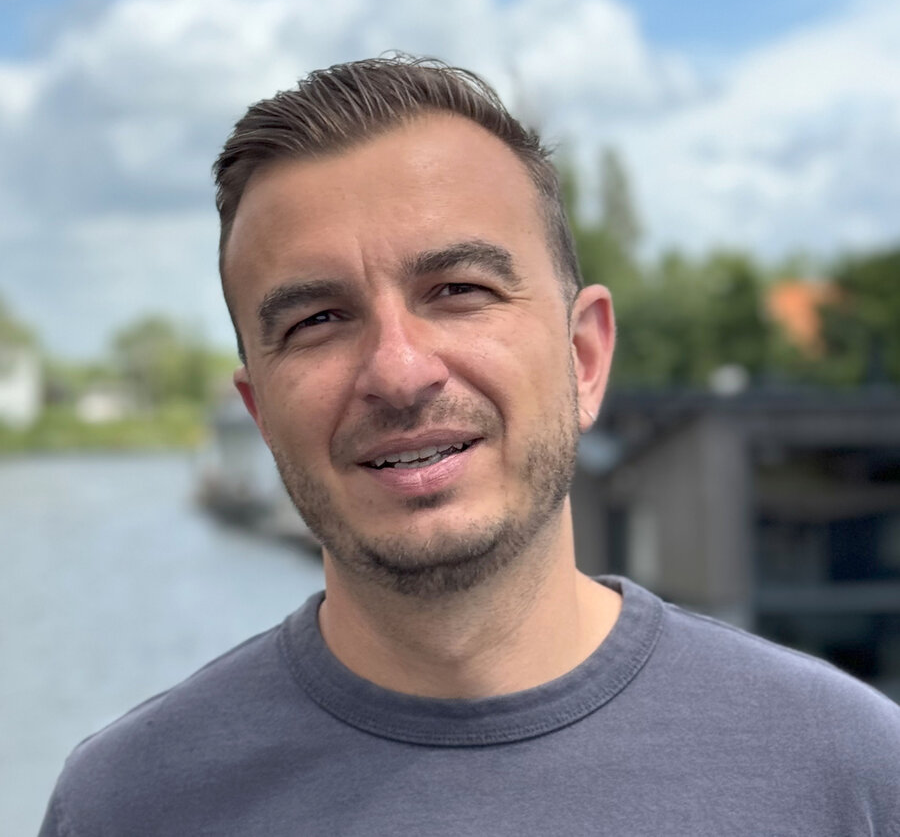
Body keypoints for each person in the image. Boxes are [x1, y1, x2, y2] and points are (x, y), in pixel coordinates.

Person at [41, 56, 899, 836]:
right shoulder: (126, 806)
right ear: (261, 414)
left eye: (458, 289)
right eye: (318, 320)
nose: (399, 370)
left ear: (584, 357)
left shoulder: (849, 774)